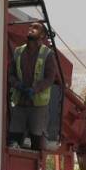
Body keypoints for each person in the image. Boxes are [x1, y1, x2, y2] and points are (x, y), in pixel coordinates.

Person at [8, 22, 58, 150]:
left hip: (38, 106)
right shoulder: (18, 52)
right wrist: (18, 85)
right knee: (13, 138)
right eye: (30, 27)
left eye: (35, 28)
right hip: (20, 103)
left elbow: (50, 78)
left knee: (36, 142)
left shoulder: (48, 54)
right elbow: (11, 74)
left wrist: (35, 89)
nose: (31, 29)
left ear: (42, 35)